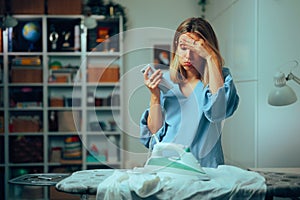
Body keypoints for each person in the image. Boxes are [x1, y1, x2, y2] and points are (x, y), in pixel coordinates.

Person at [140, 17, 239, 168]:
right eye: (183, 47)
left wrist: (212, 58)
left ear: (208, 48)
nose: (188, 56)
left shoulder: (220, 78)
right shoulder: (165, 80)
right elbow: (154, 131)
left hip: (206, 168)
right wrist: (155, 95)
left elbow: (217, 112)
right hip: (167, 165)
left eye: (195, 49)